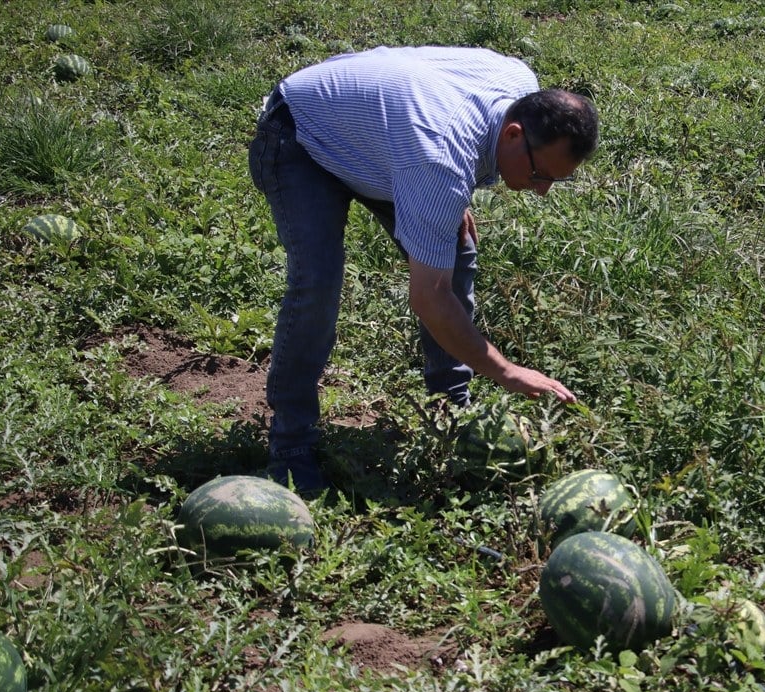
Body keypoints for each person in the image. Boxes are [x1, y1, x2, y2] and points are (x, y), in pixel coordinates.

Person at [248, 46, 599, 494]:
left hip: (383, 142)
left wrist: (449, 199)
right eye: (539, 175)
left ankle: (450, 407)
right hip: (301, 134)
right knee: (317, 282)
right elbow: (428, 298)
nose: (543, 190)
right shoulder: (437, 160)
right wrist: (506, 370)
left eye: (556, 179)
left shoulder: (519, 86)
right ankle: (291, 445)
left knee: (456, 251)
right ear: (512, 134)